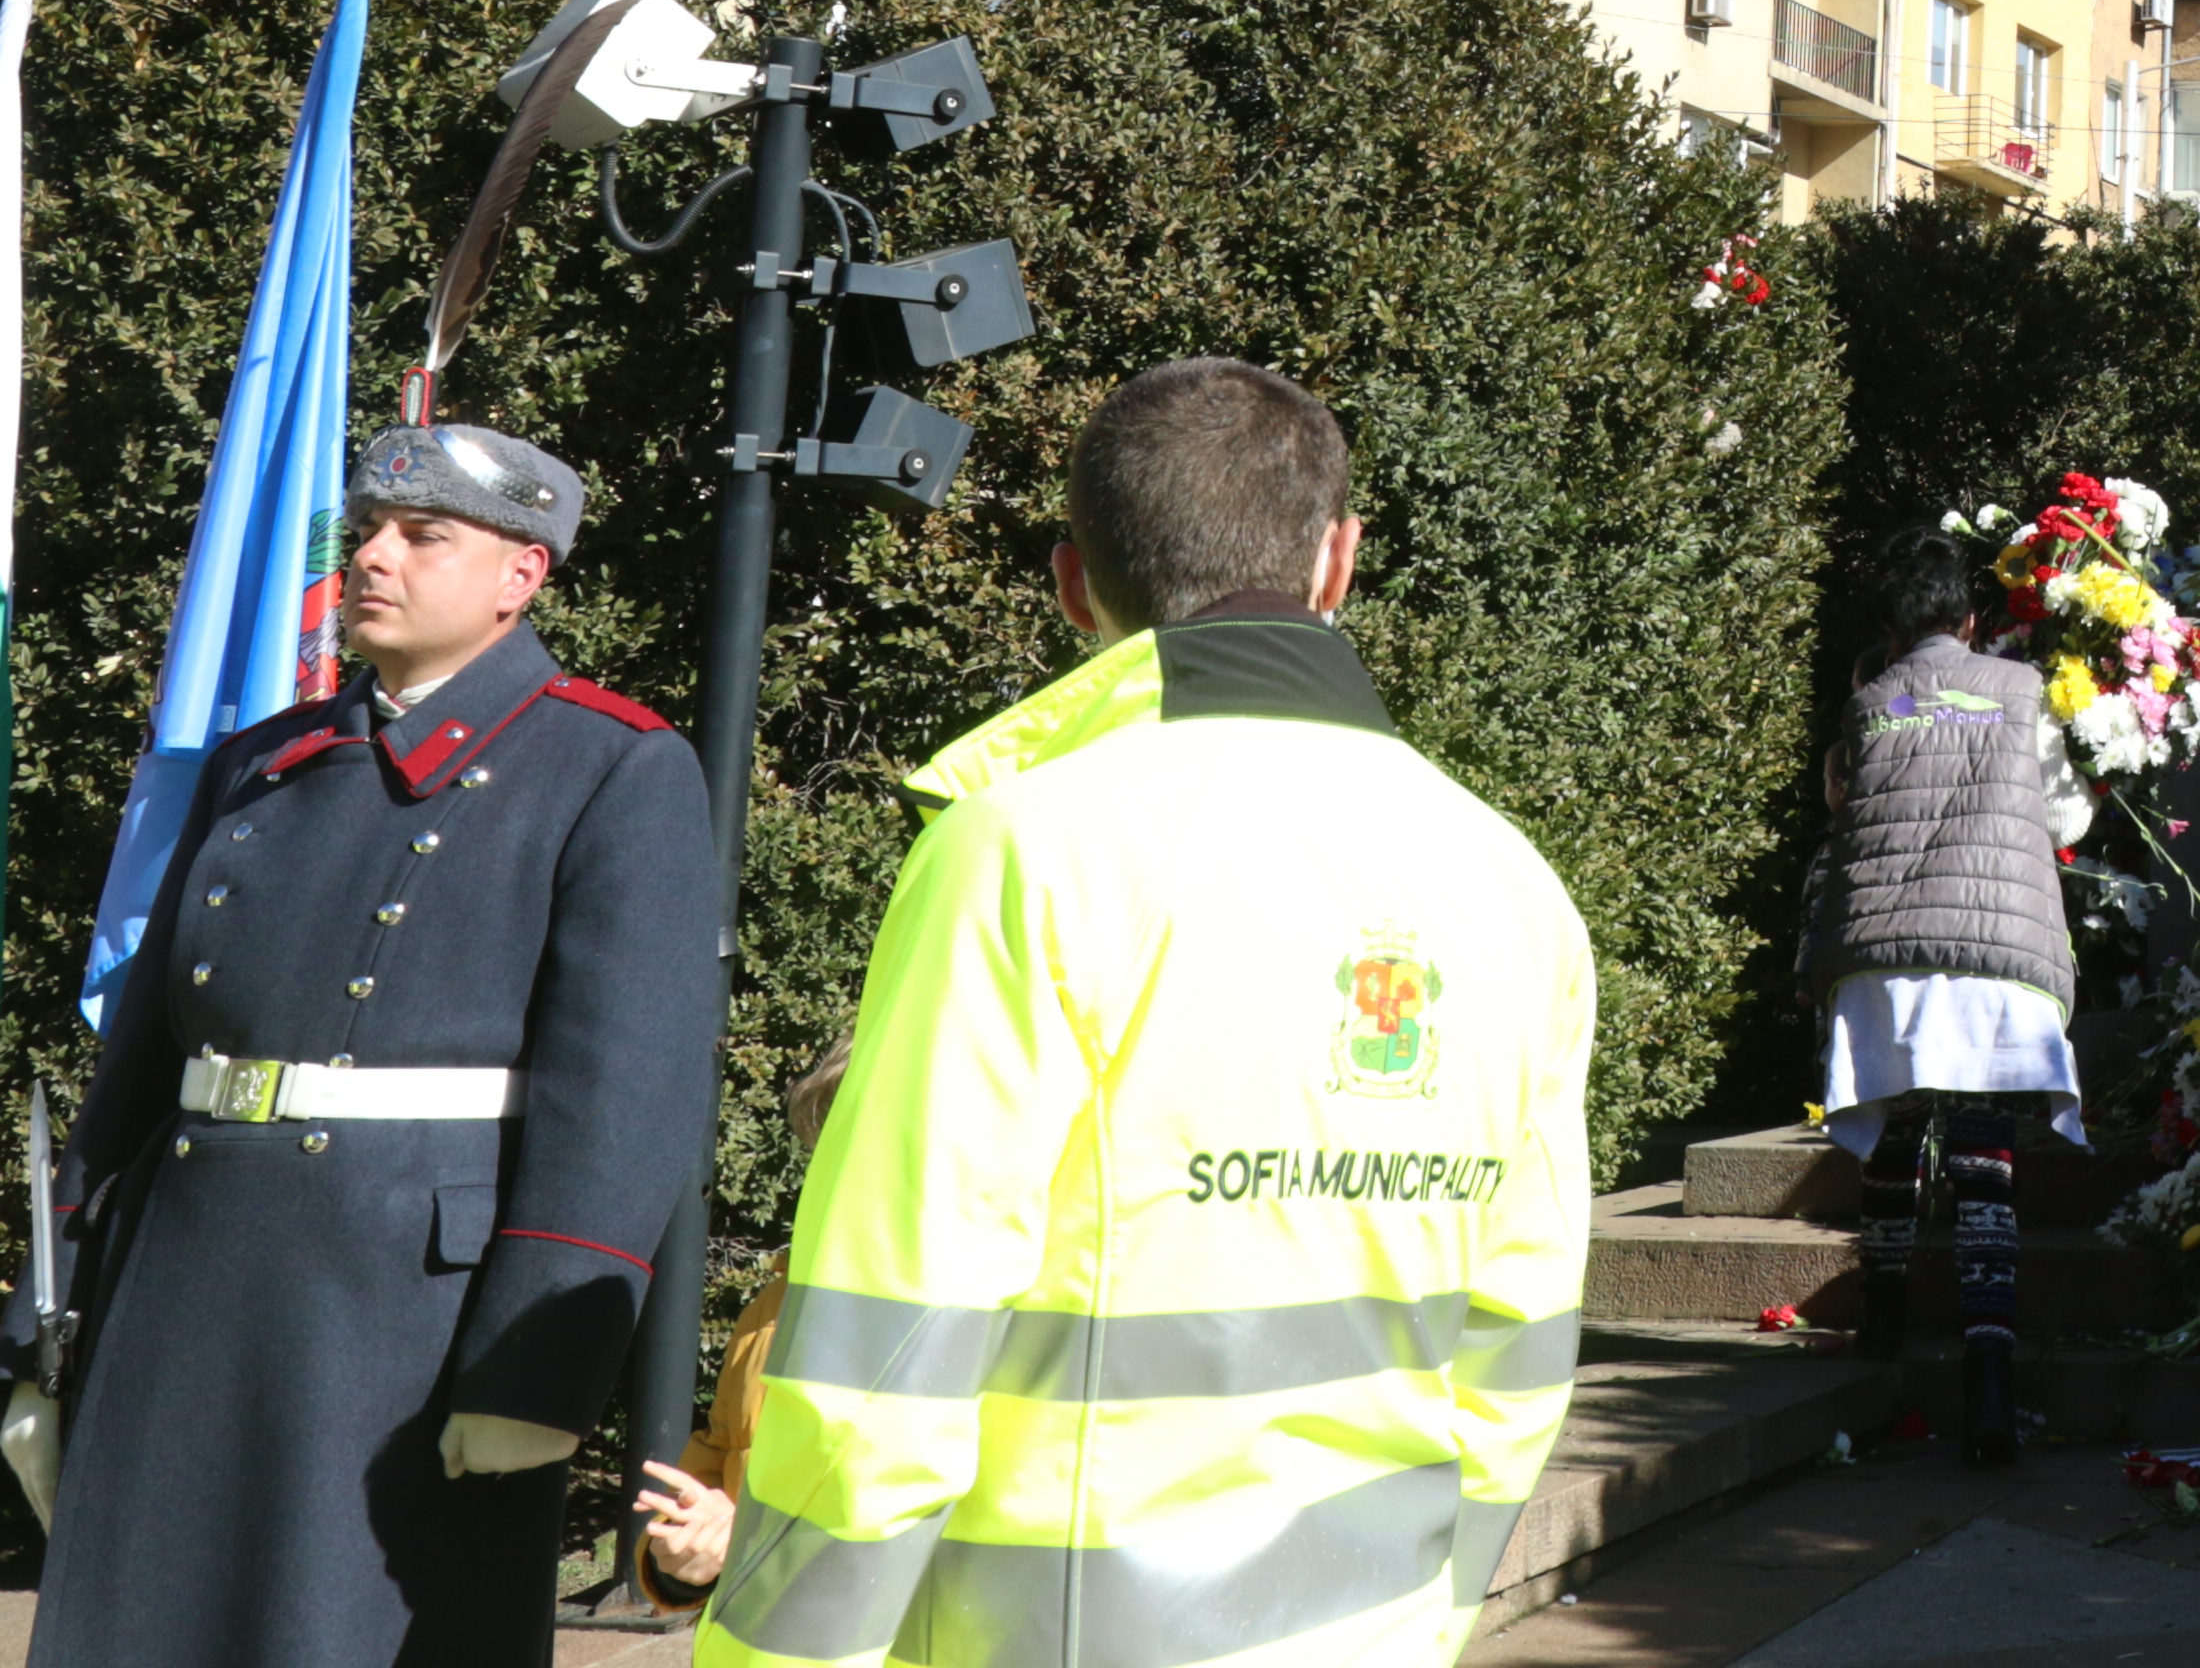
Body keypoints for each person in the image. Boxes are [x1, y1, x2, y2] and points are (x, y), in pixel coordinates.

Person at [696, 359, 1596, 1668]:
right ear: (1337, 562)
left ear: (1074, 585)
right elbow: (1518, 1347)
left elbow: (887, 1361)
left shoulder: (1025, 850)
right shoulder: (1515, 887)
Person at [29, 419, 715, 1666]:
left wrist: (539, 1369)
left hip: (406, 1316)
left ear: (522, 575)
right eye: (368, 534)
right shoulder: (261, 762)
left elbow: (622, 1095)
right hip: (185, 1276)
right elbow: (142, 1057)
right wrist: (53, 1281)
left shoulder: (610, 765)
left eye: (424, 536)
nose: (376, 559)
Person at [1798, 532, 2091, 1463]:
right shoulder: (2023, 693)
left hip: (1882, 961)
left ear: (1893, 629)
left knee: (1892, 1128)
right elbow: (2068, 813)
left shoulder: (1864, 706)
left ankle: (1884, 1318)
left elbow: (1843, 813)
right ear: (1971, 621)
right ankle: (1991, 1380)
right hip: (1992, 957)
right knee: (1980, 1154)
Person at [625, 1030, 855, 1616]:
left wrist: (753, 1530)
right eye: (836, 1137)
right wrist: (680, 1560)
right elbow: (718, 1462)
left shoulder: (1006, 1306)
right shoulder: (779, 1302)